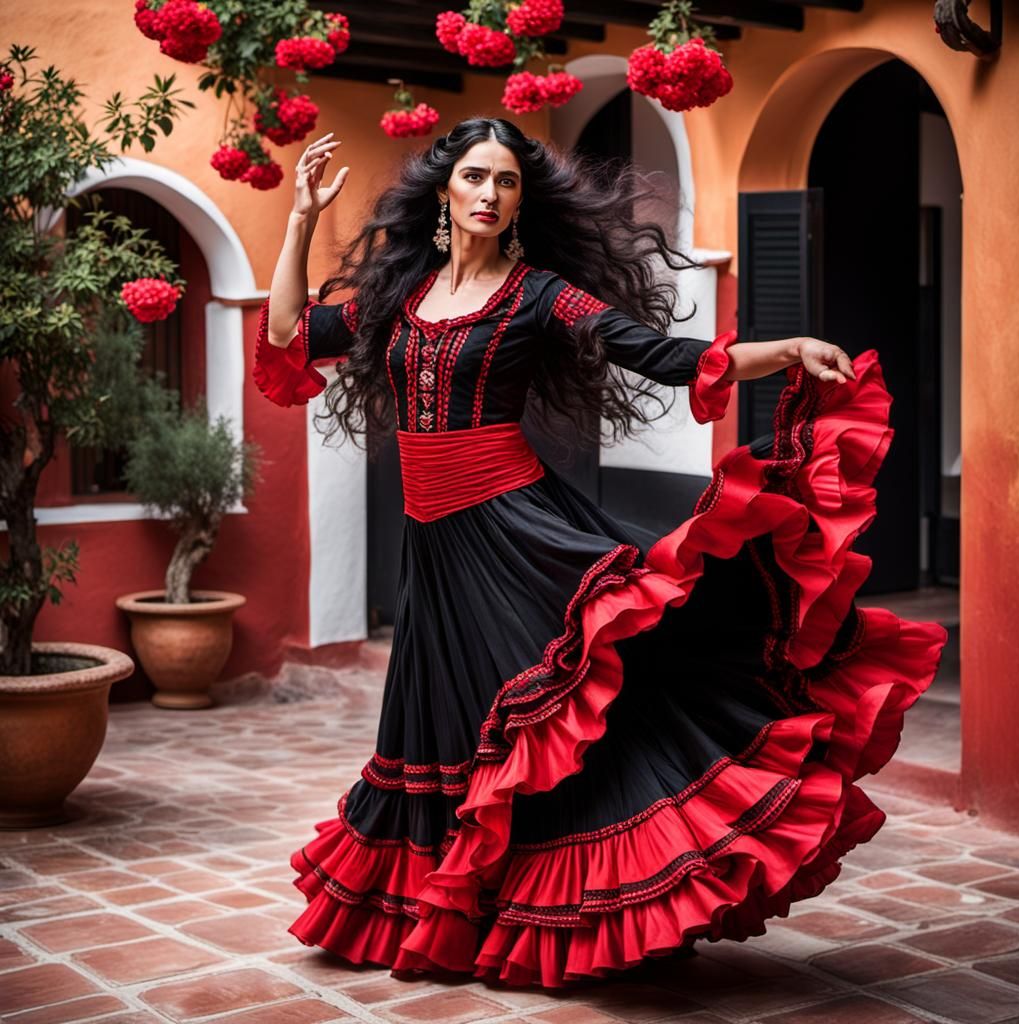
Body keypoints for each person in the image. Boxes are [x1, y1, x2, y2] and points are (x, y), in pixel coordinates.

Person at [253, 117, 948, 989]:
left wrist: (785, 350)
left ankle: (579, 909)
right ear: (444, 191)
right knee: (450, 729)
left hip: (517, 533)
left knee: (554, 722)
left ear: (518, 203)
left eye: (505, 183)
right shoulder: (399, 296)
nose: (488, 195)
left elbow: (658, 354)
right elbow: (287, 332)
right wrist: (301, 220)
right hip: (433, 546)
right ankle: (457, 909)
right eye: (474, 177)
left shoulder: (541, 294)